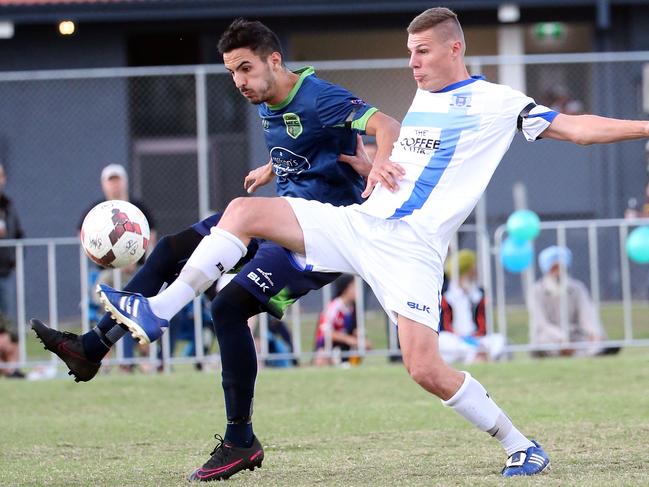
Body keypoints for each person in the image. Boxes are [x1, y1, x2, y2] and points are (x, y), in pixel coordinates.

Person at [99, 7, 649, 478]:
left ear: (455, 48)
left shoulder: (496, 102)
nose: (413, 62)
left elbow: (578, 129)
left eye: (423, 52)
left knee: (425, 370)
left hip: (411, 250)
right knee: (241, 213)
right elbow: (408, 157)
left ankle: (520, 445)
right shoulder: (422, 98)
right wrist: (370, 162)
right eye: (410, 52)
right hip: (361, 224)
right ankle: (159, 313)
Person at [31, 18, 402, 482]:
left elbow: (386, 123)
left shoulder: (320, 95)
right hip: (281, 217)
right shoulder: (270, 98)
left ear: (274, 60)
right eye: (231, 73)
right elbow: (305, 141)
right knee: (169, 249)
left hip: (321, 239)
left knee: (227, 306)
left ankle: (239, 439)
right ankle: (92, 347)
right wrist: (273, 167)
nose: (239, 83)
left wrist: (380, 159)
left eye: (245, 69)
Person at [83, 163, 158, 373]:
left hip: (137, 270)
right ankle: (116, 358)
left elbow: (150, 237)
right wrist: (110, 259)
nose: (115, 185)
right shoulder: (97, 211)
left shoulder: (138, 207)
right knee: (111, 301)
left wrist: (131, 258)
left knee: (136, 304)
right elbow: (85, 238)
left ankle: (146, 357)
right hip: (108, 270)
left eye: (118, 180)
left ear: (125, 182)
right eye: (110, 181)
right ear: (104, 184)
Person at [529, 246, 613, 357]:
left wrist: (593, 332)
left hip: (574, 334)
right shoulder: (536, 291)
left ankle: (596, 351)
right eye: (554, 268)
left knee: (591, 339)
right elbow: (542, 323)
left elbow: (586, 315)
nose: (558, 272)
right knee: (545, 342)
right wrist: (561, 338)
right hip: (549, 336)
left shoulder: (577, 288)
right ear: (547, 269)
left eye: (561, 267)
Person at [439, 249, 506, 364]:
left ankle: (475, 355)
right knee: (442, 340)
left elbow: (482, 325)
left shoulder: (479, 294)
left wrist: (475, 340)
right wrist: (461, 338)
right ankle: (476, 355)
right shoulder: (445, 294)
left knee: (499, 339)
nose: (474, 274)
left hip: (476, 339)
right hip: (455, 339)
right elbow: (445, 325)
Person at [313, 274, 371, 366]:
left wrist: (361, 338)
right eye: (354, 287)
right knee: (323, 360)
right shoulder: (333, 307)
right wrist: (349, 339)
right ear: (345, 289)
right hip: (327, 346)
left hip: (344, 347)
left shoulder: (353, 308)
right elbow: (325, 332)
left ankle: (350, 364)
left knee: (363, 344)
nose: (357, 290)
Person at [0, 163, 24, 321]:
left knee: (5, 318)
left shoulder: (8, 205)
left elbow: (19, 234)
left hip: (4, 270)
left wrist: (15, 260)